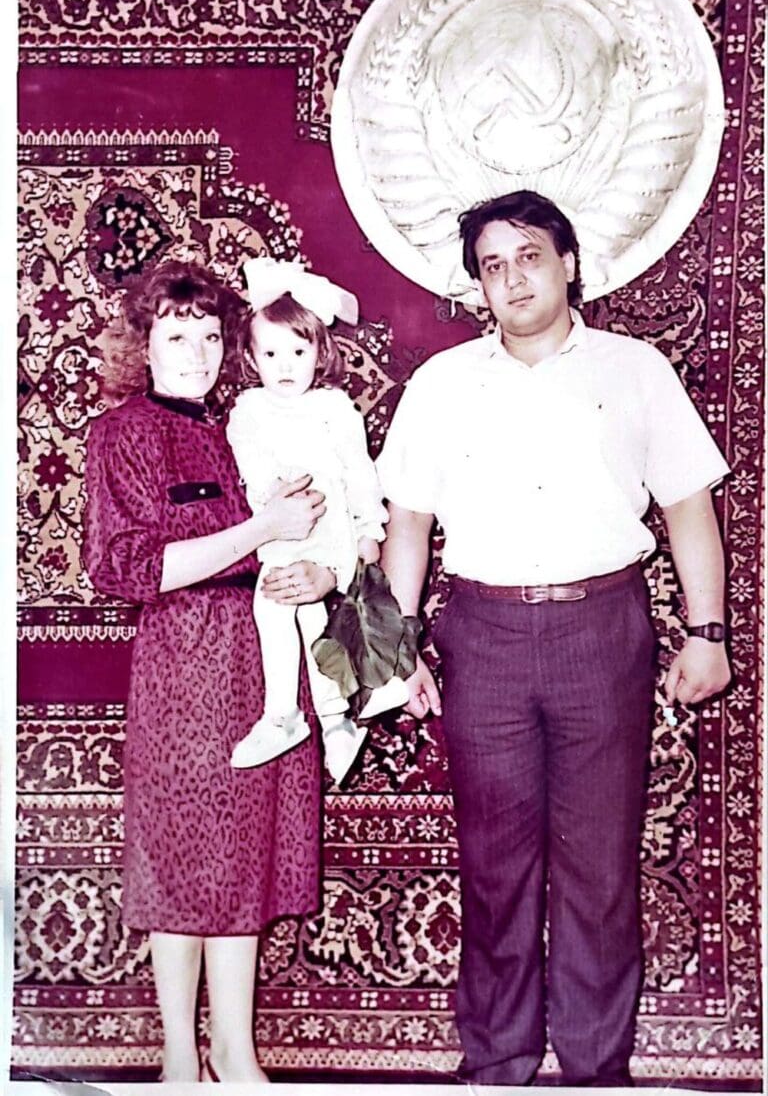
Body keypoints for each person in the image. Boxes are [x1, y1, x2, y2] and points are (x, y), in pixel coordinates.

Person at [377, 190, 731, 1087]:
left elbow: (689, 504)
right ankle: (495, 1065)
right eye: (492, 266)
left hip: (601, 632)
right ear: (478, 290)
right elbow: (407, 524)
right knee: (495, 869)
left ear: (569, 264)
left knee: (600, 871)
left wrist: (707, 632)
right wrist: (397, 647)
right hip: (482, 638)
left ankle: (594, 1071)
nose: (512, 277)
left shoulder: (637, 370)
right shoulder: (442, 385)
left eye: (528, 255)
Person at [84, 259, 335, 1084]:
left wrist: (313, 570)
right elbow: (126, 567)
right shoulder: (124, 431)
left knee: (242, 861)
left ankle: (236, 1053)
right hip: (183, 669)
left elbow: (304, 533)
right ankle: (180, 1064)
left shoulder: (239, 428)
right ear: (144, 344)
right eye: (175, 335)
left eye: (209, 337)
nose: (194, 352)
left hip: (263, 668)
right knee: (183, 858)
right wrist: (262, 528)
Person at [225, 257, 403, 782]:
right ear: (252, 358)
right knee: (302, 616)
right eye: (271, 353)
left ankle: (286, 713)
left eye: (298, 352)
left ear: (320, 352)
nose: (285, 365)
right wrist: (269, 494)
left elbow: (359, 472)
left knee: (278, 603)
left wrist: (370, 527)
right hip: (283, 522)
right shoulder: (250, 410)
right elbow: (250, 466)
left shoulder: (334, 407)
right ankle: (335, 721)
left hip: (329, 526)